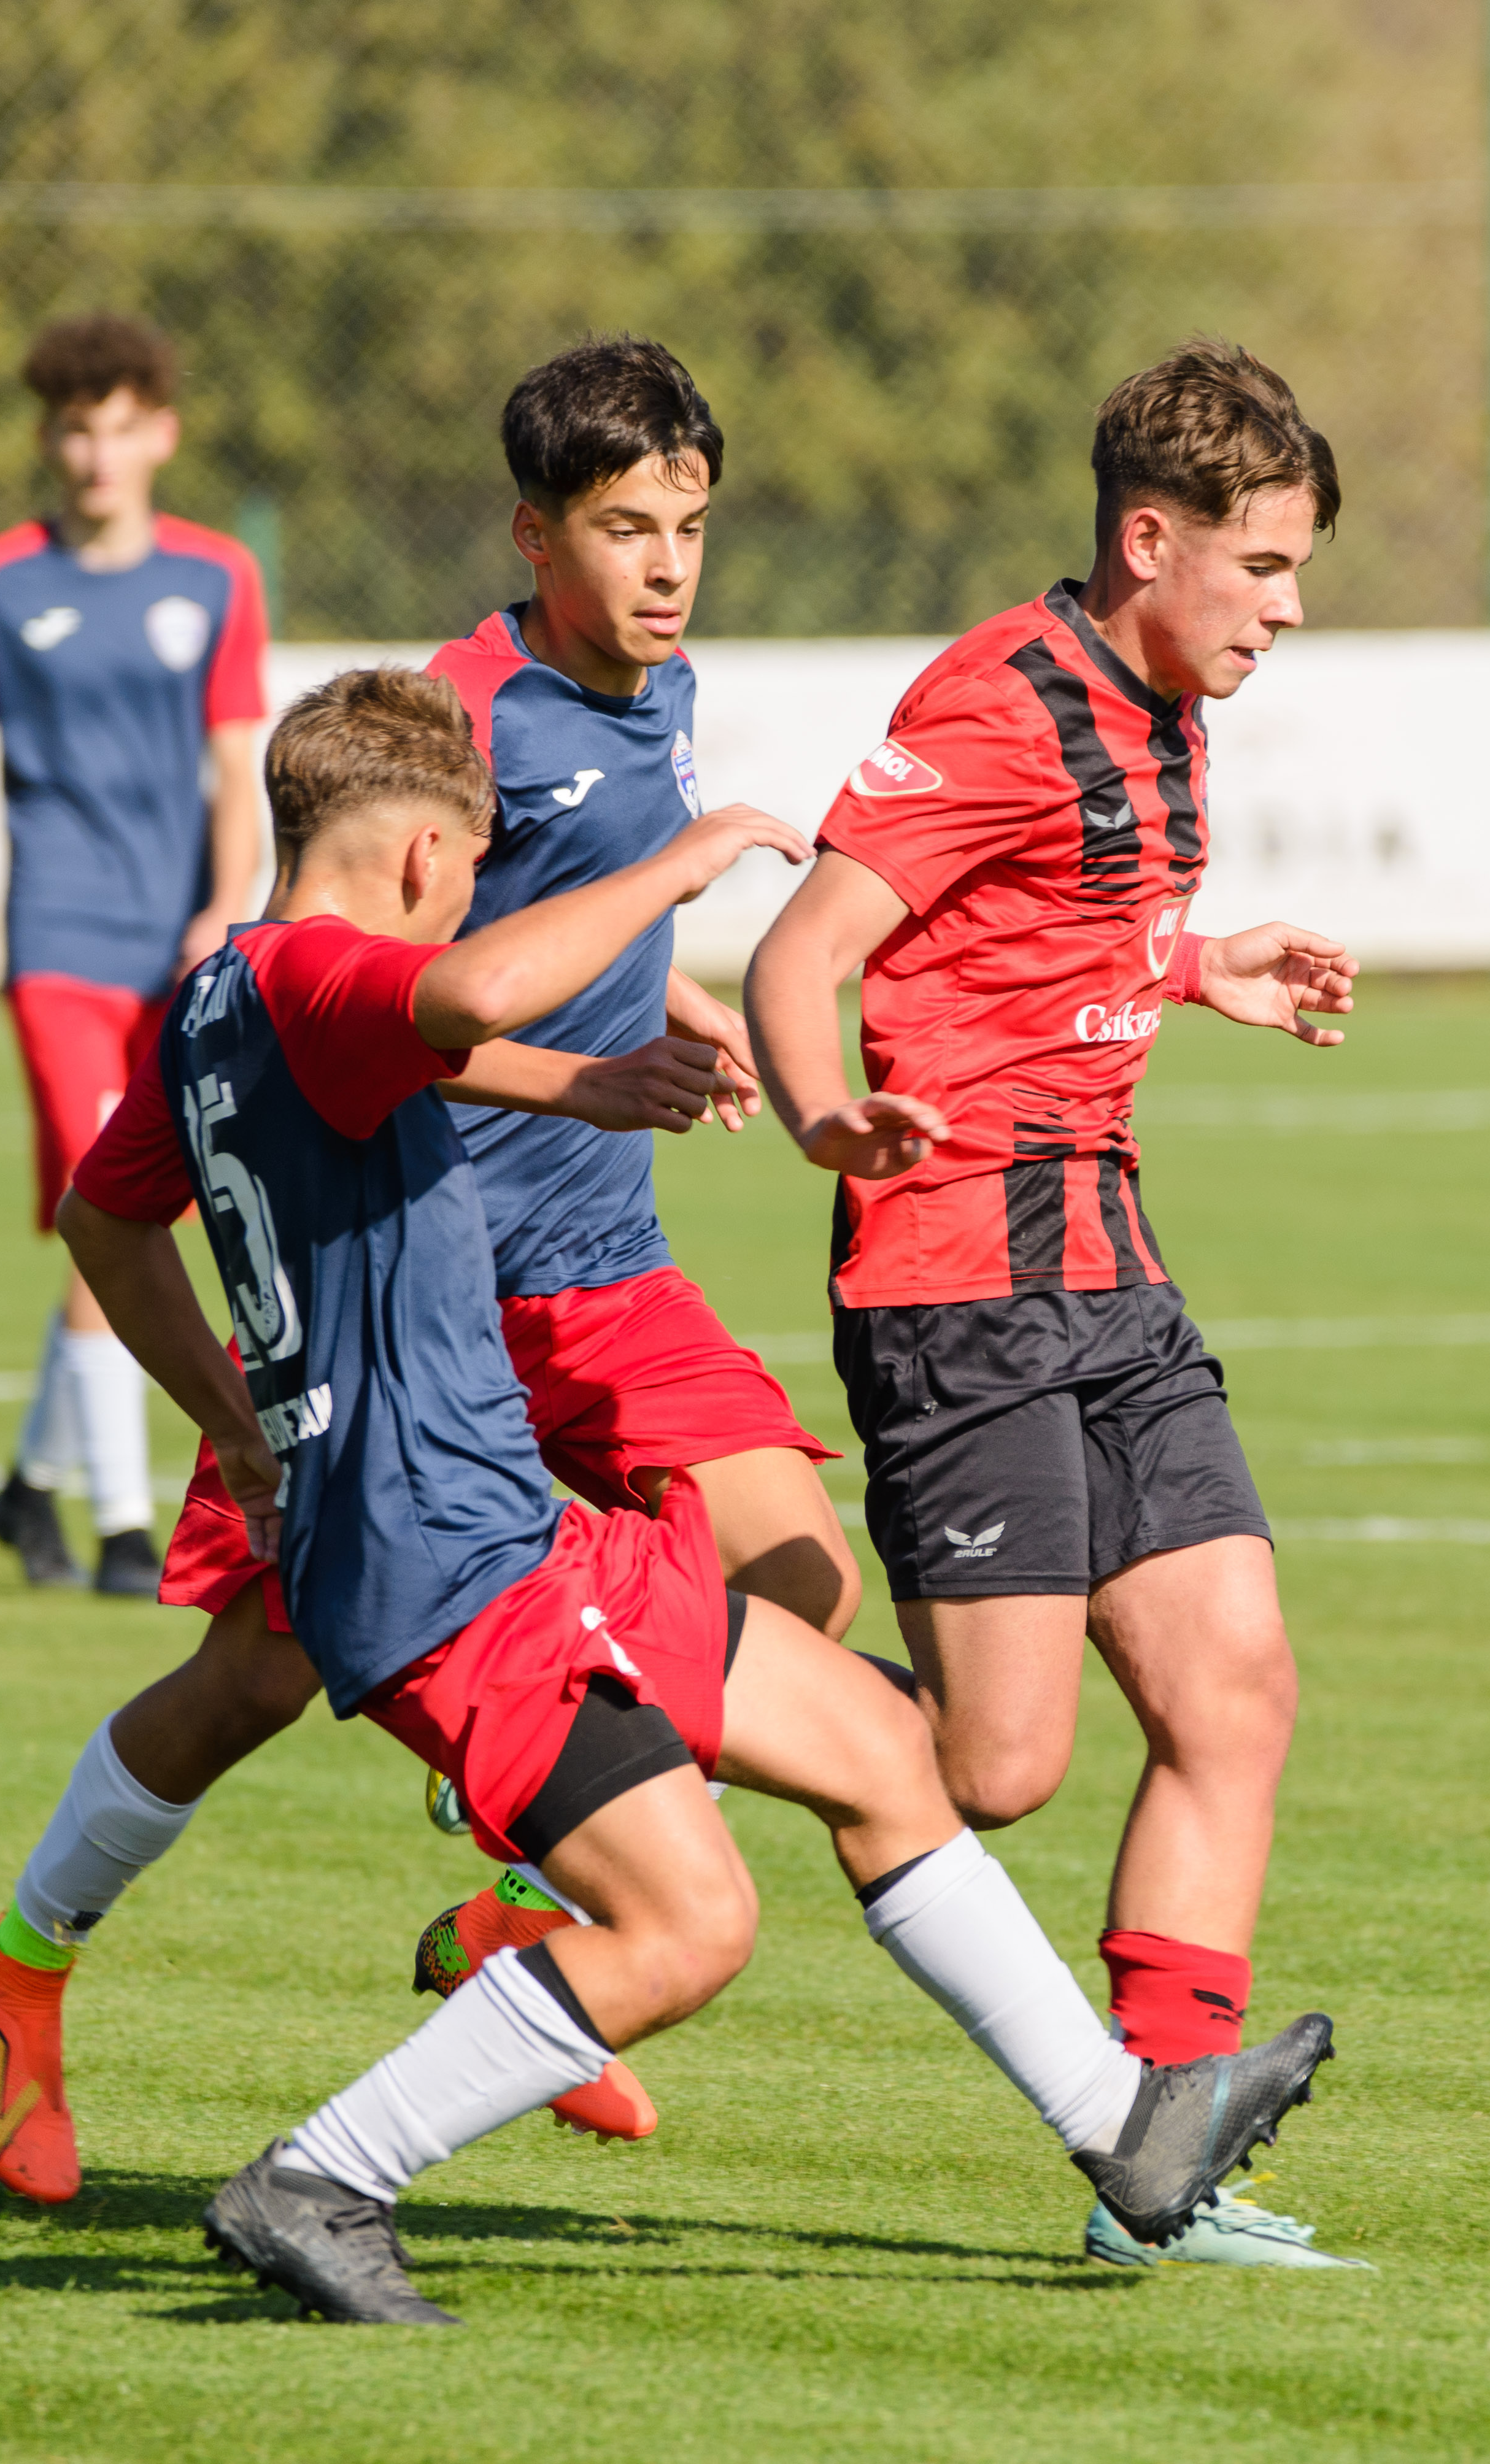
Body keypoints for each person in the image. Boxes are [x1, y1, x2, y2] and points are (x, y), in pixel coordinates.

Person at [0, 669, 1332, 2323]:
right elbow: (459, 992)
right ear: (415, 860)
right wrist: (680, 869)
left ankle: (1133, 2136)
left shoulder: (220, 998)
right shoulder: (330, 967)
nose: (469, 895)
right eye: (470, 864)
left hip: (507, 1537)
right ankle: (321, 2180)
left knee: (885, 1751)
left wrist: (237, 1419)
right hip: (453, 1571)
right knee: (688, 1926)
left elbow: (113, 1225)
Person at [742, 341, 1365, 2268]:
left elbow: (1050, 931)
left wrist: (1203, 967)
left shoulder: (1169, 703)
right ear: (1148, 538)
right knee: (995, 1767)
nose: (1285, 609)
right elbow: (805, 947)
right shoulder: (999, 702)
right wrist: (826, 1109)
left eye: (1299, 574)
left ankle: (1163, 2181)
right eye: (1260, 567)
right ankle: (600, 1697)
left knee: (1234, 1685)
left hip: (1112, 1259)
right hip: (956, 1281)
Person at [402, 337, 877, 2114]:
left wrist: (684, 1012)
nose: (670, 566)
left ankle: (525, 1901)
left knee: (809, 1602)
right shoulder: (453, 722)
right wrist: (587, 1074)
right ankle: (33, 1945)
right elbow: (386, 1007)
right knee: (244, 1681)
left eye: (690, 524)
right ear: (536, 534)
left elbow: (580, 925)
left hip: (609, 1277)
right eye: (626, 528)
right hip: (441, 1294)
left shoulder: (660, 693)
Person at [0, 312, 271, 1597]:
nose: (97, 456)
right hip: (53, 941)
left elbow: (234, 765)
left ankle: (26, 1483)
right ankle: (118, 1530)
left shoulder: (216, 578)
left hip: (178, 950)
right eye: (74, 430)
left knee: (116, 1219)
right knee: (121, 1207)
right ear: (47, 439)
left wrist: (227, 906)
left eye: (119, 429)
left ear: (158, 434)